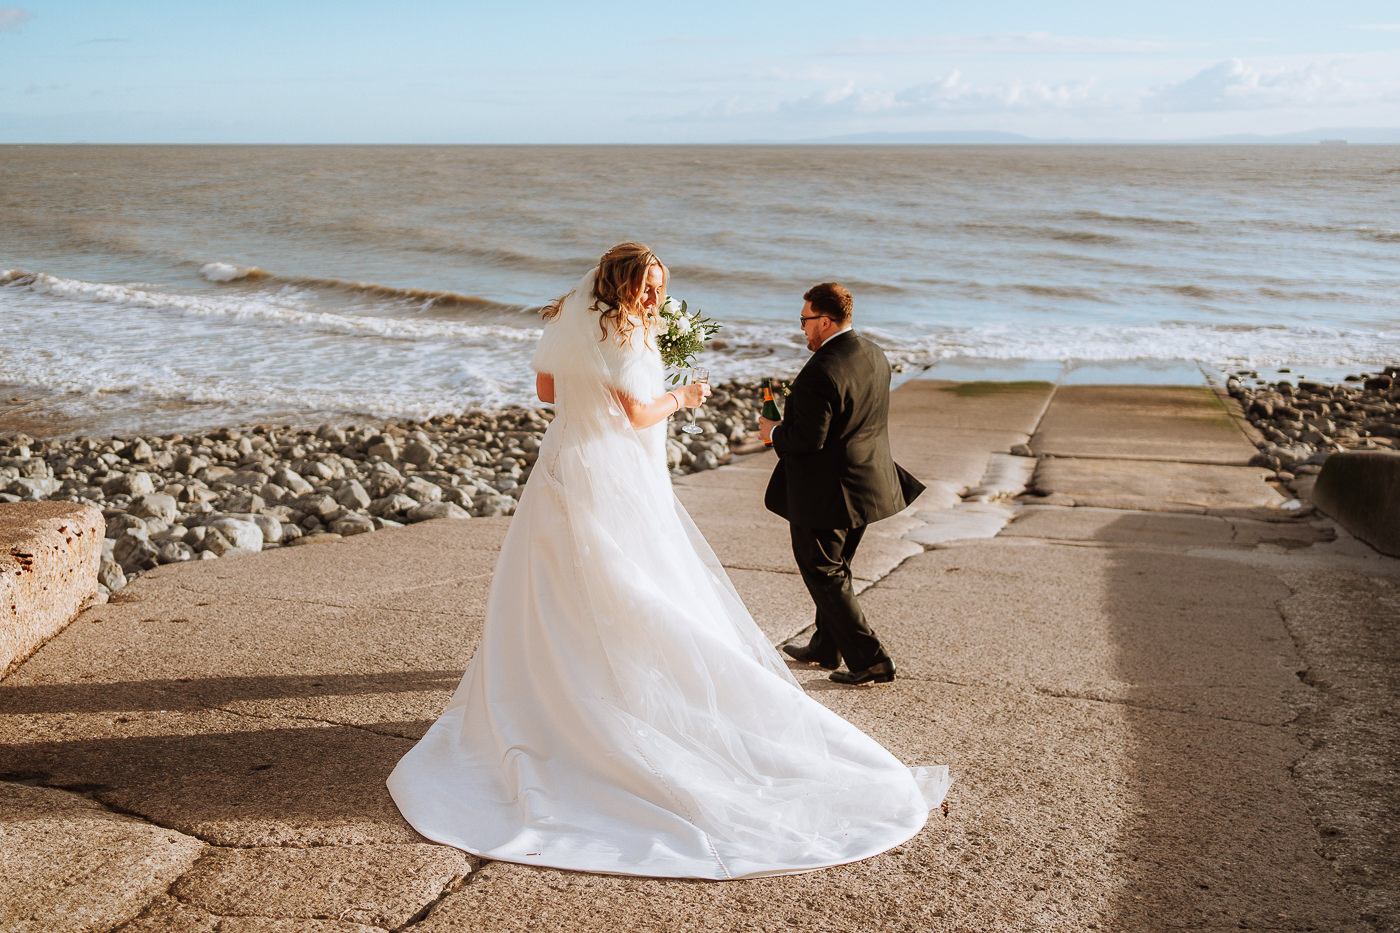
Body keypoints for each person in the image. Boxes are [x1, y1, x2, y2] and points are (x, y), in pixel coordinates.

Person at [388, 244, 948, 880]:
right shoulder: (626, 330)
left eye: (660, 286)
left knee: (566, 577)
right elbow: (635, 414)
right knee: (622, 578)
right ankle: (602, 695)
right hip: (611, 470)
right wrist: (683, 397)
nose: (654, 297)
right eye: (648, 286)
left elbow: (547, 391)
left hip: (564, 461)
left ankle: (565, 686)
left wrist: (592, 385)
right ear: (626, 281)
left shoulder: (577, 316)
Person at [758, 282, 925, 686]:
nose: (801, 328)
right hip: (868, 481)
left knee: (823, 570)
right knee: (838, 566)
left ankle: (872, 660)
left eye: (805, 320)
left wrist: (773, 433)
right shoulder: (873, 353)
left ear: (825, 320)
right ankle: (824, 645)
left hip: (828, 492)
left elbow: (806, 441)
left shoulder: (821, 371)